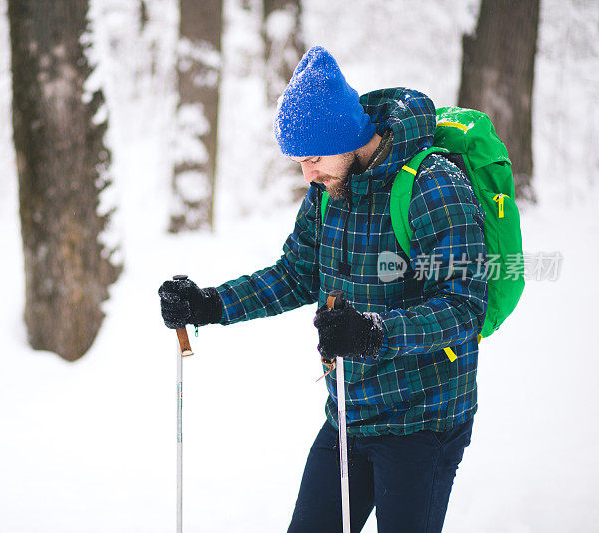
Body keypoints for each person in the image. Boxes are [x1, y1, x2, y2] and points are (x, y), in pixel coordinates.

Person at [158, 46, 488, 533]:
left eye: (312, 158)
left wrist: (375, 333)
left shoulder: (434, 186)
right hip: (349, 415)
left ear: (347, 137)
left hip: (423, 421)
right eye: (299, 162)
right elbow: (295, 274)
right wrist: (211, 304)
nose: (307, 174)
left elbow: (464, 308)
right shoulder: (330, 189)